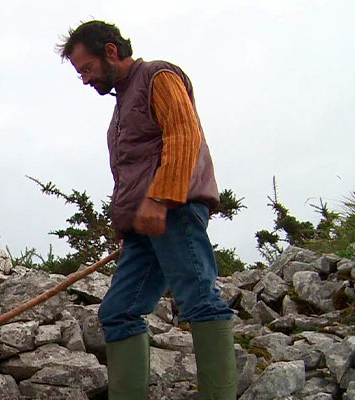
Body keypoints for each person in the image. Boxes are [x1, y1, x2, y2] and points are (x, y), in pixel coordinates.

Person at [57, 20, 237, 399]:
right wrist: (130, 223)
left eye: (86, 68)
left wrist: (158, 200)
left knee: (200, 299)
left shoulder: (158, 76)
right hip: (144, 228)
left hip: (173, 212)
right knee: (118, 311)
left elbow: (183, 135)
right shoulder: (122, 106)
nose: (85, 79)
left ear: (110, 51)